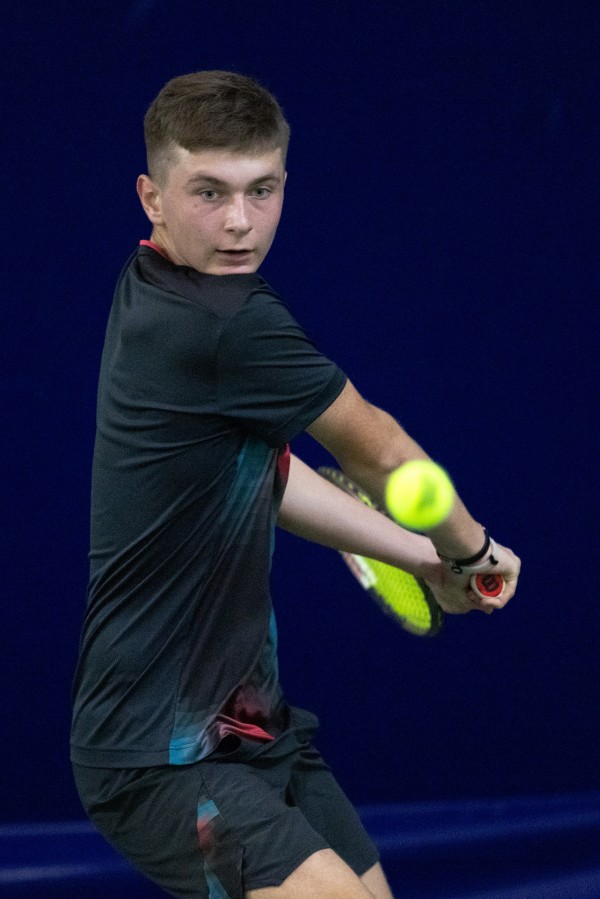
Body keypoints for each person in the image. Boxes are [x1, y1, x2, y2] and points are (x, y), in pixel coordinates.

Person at [71, 70, 520, 899]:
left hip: (254, 727)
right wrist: (473, 549)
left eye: (262, 189)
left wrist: (422, 559)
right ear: (151, 197)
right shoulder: (225, 323)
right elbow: (382, 451)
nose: (240, 222)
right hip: (157, 755)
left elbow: (264, 477)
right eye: (209, 191)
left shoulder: (156, 283)